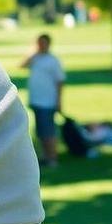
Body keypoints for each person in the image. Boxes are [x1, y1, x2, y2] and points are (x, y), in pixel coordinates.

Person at [22, 33, 65, 168]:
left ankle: (53, 157)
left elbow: (60, 82)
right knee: (40, 131)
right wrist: (33, 52)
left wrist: (59, 101)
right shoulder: (35, 58)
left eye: (43, 43)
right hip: (36, 100)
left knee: (48, 131)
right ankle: (45, 156)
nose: (41, 45)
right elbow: (22, 65)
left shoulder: (53, 61)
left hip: (48, 101)